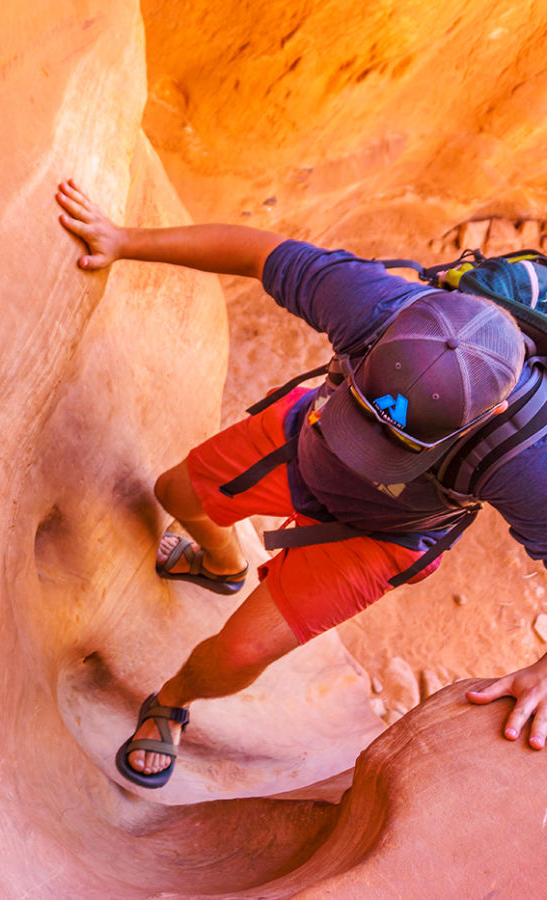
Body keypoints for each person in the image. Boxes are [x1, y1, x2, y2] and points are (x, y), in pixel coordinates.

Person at [54, 178, 547, 788]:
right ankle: (220, 564)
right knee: (174, 495)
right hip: (305, 439)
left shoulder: (527, 458)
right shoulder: (376, 302)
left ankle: (174, 700)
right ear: (393, 334)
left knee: (241, 652)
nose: (371, 451)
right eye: (369, 420)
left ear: (491, 413)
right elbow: (258, 252)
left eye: (397, 445)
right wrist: (124, 241)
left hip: (382, 533)